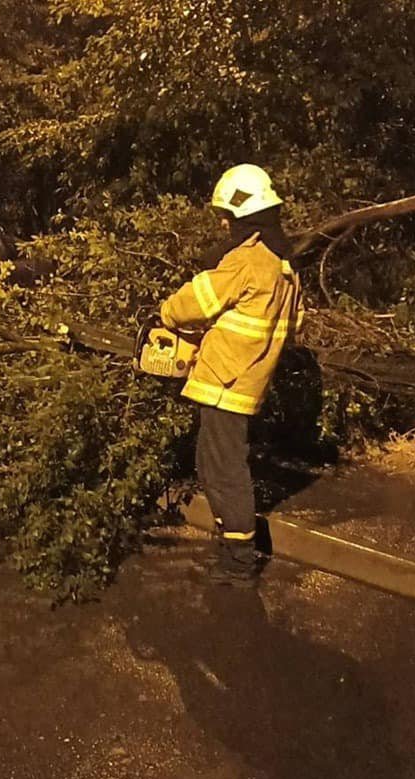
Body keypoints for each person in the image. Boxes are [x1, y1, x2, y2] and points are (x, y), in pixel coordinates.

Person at [159, 164, 304, 585]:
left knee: (225, 473)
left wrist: (165, 314)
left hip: (227, 382)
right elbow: (294, 327)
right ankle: (230, 551)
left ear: (243, 215)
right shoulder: (284, 266)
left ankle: (239, 564)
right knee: (214, 466)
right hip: (246, 378)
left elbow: (193, 303)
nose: (223, 223)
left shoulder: (247, 260)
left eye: (226, 215)